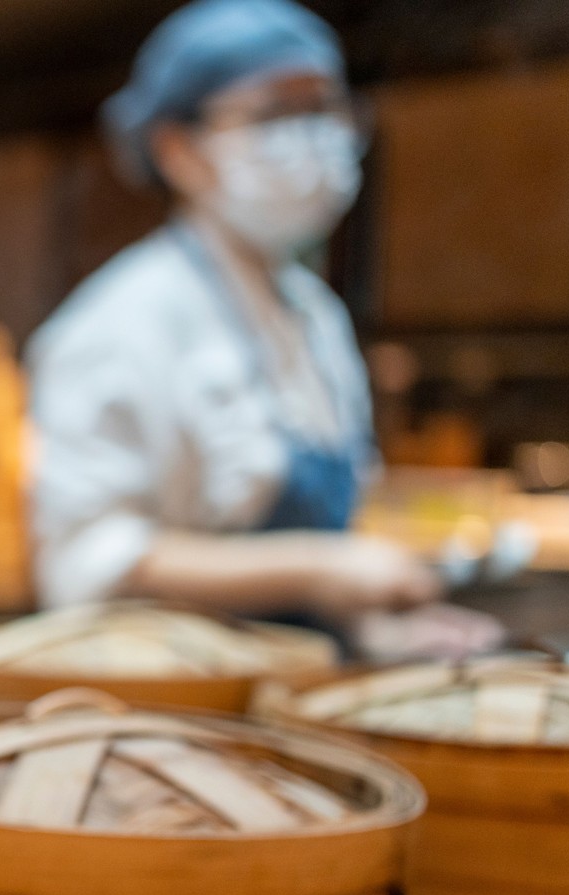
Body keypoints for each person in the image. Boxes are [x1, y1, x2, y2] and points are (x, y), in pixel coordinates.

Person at [28, 0, 502, 657]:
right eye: (275, 113)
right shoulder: (118, 324)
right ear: (178, 150)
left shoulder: (315, 315)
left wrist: (380, 632)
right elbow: (87, 560)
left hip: (299, 695)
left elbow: (333, 545)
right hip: (170, 705)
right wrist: (317, 567)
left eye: (324, 111)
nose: (309, 139)